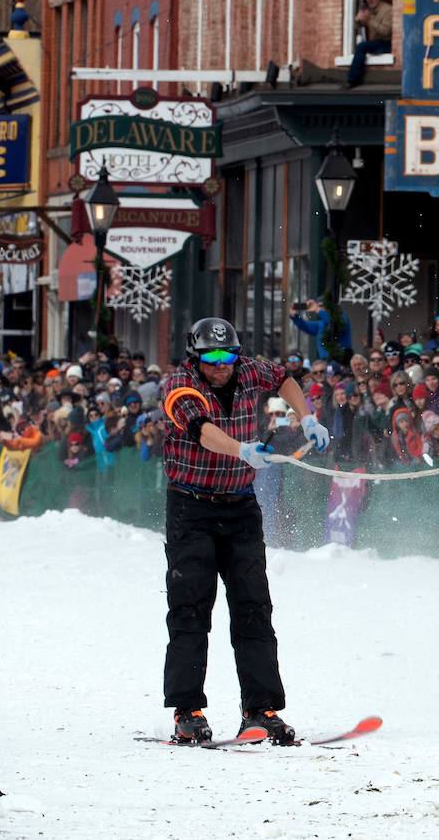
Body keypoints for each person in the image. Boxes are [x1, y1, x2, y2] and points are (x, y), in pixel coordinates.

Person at [158, 317, 327, 745]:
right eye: (212, 358)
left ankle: (260, 709)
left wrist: (305, 417)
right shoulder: (180, 385)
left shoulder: (248, 370)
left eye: (228, 356)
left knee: (254, 607)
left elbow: (284, 378)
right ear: (196, 358)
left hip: (239, 508)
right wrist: (243, 451)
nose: (222, 365)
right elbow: (203, 432)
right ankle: (187, 711)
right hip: (190, 507)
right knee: (190, 609)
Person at [347, 0, 392, 88]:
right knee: (362, 47)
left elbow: (386, 31)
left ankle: (353, 79)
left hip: (386, 43)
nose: (370, 0)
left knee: (361, 46)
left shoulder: (388, 10)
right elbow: (355, 28)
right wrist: (358, 20)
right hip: (375, 43)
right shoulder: (369, 10)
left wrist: (369, 20)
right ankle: (353, 78)